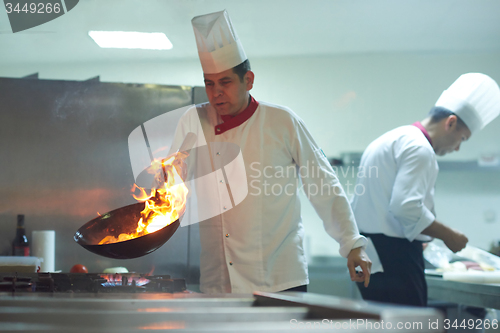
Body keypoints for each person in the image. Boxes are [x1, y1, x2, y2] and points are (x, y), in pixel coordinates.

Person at [178, 10, 372, 294]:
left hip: (279, 279)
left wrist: (352, 243)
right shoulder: (194, 123)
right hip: (219, 282)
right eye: (209, 83)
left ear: (249, 80)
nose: (216, 92)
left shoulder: (282, 121)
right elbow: (170, 185)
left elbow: (323, 184)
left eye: (225, 82)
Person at [350, 73, 500, 306]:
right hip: (394, 260)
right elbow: (405, 207)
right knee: (410, 326)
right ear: (450, 122)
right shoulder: (420, 148)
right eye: (462, 138)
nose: (458, 148)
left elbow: (377, 206)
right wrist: (449, 235)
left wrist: (422, 234)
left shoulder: (392, 138)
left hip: (370, 255)